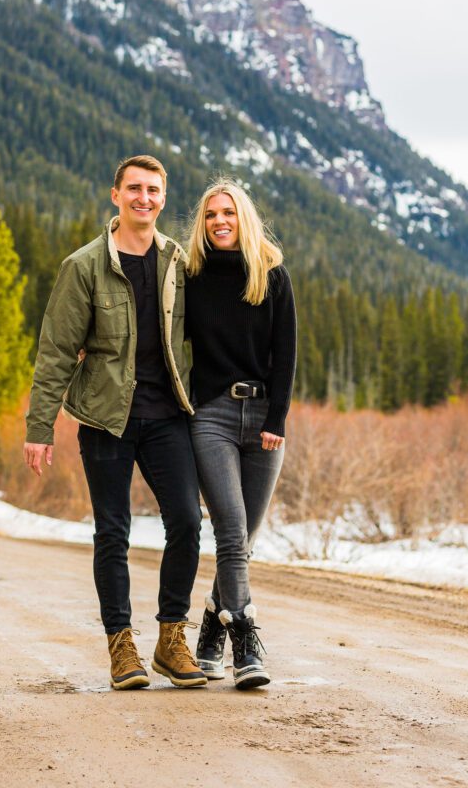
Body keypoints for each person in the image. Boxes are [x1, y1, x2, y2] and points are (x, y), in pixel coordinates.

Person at [23, 155, 207, 690]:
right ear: (115, 195)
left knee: (187, 524)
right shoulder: (83, 266)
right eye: (134, 189)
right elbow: (56, 351)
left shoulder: (178, 262)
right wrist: (40, 427)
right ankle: (121, 645)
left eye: (152, 190)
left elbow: (211, 330)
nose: (143, 198)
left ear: (163, 199)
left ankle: (172, 638)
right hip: (105, 419)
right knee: (113, 531)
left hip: (168, 415)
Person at [185, 180, 296, 689]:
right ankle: (246, 640)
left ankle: (212, 622)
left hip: (264, 420)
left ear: (243, 217)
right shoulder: (192, 278)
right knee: (231, 533)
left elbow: (286, 354)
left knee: (243, 541)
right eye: (210, 215)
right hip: (212, 417)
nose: (219, 221)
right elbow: (155, 334)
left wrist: (277, 421)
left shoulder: (272, 275)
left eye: (228, 212)